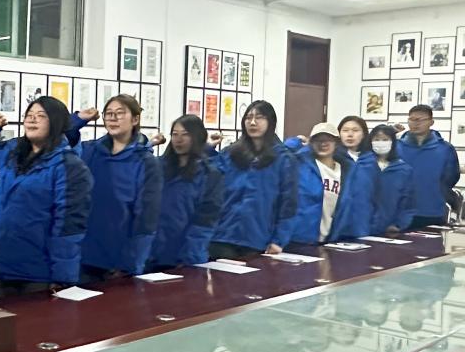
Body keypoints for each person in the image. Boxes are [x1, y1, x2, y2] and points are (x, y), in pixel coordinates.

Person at [0, 97, 92, 296]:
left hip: (41, 271)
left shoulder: (69, 165)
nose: (32, 119)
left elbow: (69, 226)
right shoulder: (12, 154)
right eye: (29, 115)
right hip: (6, 262)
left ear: (56, 122)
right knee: (4, 316)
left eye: (41, 116)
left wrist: (63, 278)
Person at [65, 95, 163, 278]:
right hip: (84, 255)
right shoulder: (90, 151)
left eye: (119, 113)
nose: (113, 118)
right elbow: (58, 138)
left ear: (135, 119)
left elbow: (146, 219)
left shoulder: (146, 161)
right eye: (108, 114)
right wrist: (79, 119)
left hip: (119, 262)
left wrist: (132, 264)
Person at [207, 100, 298, 259]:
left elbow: (288, 204)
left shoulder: (283, 158)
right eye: (248, 118)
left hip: (258, 240)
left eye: (260, 117)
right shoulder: (231, 153)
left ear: (271, 122)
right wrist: (208, 149)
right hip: (223, 236)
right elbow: (208, 180)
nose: (253, 122)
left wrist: (279, 240)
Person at [151, 115, 223, 268]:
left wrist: (190, 256)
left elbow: (206, 220)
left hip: (186, 255)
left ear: (196, 137)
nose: (179, 139)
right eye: (175, 134)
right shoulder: (158, 167)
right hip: (153, 253)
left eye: (185, 134)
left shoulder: (209, 174)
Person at [288, 123, 360, 244]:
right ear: (311, 143)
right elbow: (281, 152)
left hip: (332, 240)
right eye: (318, 140)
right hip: (301, 239)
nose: (323, 144)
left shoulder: (347, 170)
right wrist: (296, 142)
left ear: (336, 143)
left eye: (328, 140)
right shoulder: (300, 165)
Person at [398, 104, 459, 228]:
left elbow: (451, 177)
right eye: (412, 119)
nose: (416, 123)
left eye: (421, 119)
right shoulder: (396, 147)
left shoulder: (445, 149)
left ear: (431, 122)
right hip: (399, 212)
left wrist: (438, 191)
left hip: (433, 211)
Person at [368, 124, 415, 235]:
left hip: (389, 231)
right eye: (377, 139)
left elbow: (408, 203)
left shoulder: (404, 170)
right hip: (361, 229)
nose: (381, 143)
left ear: (393, 142)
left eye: (385, 139)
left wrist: (398, 224)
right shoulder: (362, 166)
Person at [338, 115, 378, 237]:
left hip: (363, 222)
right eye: (345, 130)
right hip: (337, 222)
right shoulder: (333, 158)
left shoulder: (371, 160)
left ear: (364, 134)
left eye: (355, 130)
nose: (350, 135)